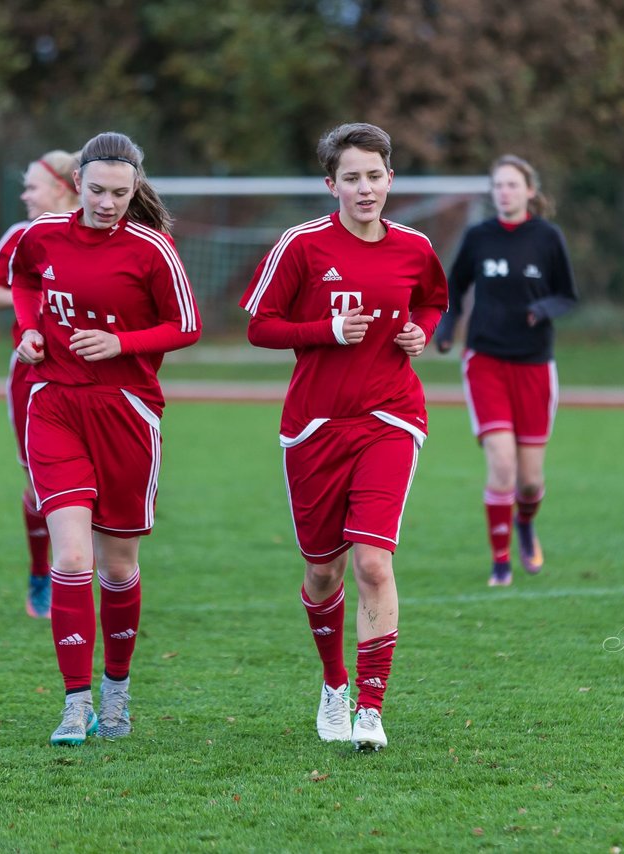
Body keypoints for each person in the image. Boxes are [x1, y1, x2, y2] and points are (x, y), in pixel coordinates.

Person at [239, 122, 449, 752]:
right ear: (331, 184)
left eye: (375, 176)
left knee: (373, 563)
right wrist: (326, 330)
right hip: (314, 426)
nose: (365, 188)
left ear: (391, 179)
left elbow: (433, 300)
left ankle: (370, 707)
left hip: (391, 417)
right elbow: (260, 328)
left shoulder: (414, 246)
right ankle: (333, 684)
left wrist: (421, 331)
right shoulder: (301, 246)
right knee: (323, 571)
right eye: (352, 178)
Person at [11, 131, 201, 746]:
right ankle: (75, 702)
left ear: (135, 189)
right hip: (56, 404)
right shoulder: (42, 235)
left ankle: (117, 691)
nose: (108, 203)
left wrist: (124, 343)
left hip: (127, 413)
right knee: (71, 557)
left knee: (118, 566)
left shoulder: (152, 250)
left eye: (122, 192)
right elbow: (25, 283)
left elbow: (187, 325)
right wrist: (28, 332)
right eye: (97, 190)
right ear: (77, 185)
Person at [434, 155, 578, 587]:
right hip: (486, 361)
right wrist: (446, 326)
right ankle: (500, 563)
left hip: (534, 365)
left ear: (530, 191)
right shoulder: (479, 237)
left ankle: (526, 523)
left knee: (530, 483)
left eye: (512, 185)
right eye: (498, 185)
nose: (504, 192)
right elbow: (453, 286)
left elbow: (567, 295)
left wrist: (543, 307)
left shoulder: (548, 237)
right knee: (502, 467)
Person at [0, 149, 81, 619]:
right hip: (34, 372)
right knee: (41, 485)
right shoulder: (23, 236)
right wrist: (40, 302)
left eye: (32, 186)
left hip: (95, 374)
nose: (24, 194)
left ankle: (95, 574)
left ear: (63, 188)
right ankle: (44, 574)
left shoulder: (94, 235)